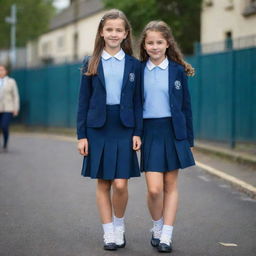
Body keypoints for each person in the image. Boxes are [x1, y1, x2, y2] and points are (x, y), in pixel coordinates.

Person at [76, 9, 142, 251]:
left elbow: (138, 102)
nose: (114, 34)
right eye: (109, 29)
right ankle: (108, 232)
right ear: (102, 33)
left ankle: (119, 224)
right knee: (104, 183)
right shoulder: (90, 62)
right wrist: (81, 135)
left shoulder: (135, 65)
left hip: (124, 127)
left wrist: (137, 132)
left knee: (121, 183)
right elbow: (83, 101)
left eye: (118, 30)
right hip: (97, 128)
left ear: (125, 34)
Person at [139, 21, 195, 253]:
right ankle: (157, 226)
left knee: (170, 185)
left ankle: (167, 235)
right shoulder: (137, 69)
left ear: (167, 43)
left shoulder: (177, 71)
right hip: (149, 132)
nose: (154, 47)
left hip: (173, 132)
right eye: (150, 42)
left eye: (159, 42)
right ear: (144, 44)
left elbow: (186, 106)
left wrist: (189, 141)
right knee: (154, 189)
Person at [0, 65, 19, 152]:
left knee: (4, 126)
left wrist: (16, 108)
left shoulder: (11, 81)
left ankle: (5, 144)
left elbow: (15, 96)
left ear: (6, 71)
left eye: (2, 70)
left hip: (8, 108)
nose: (1, 72)